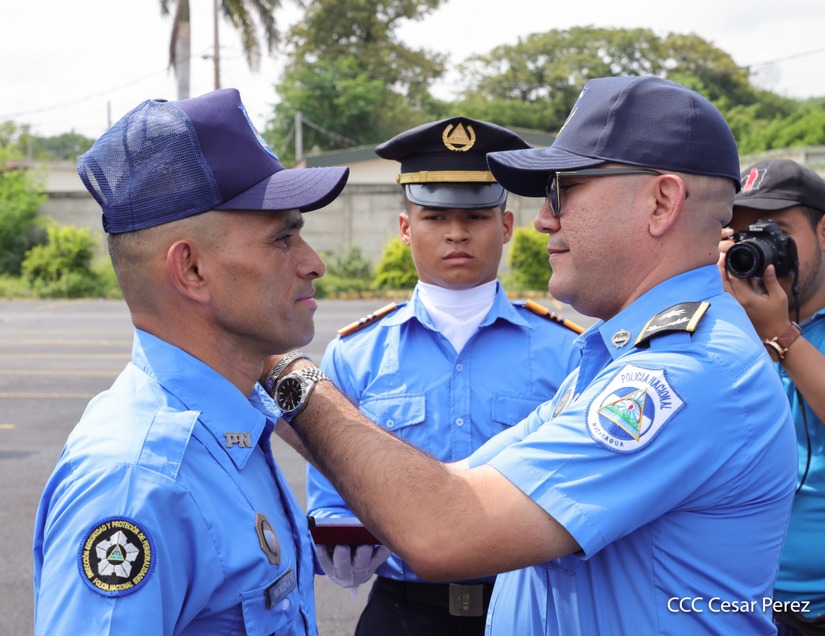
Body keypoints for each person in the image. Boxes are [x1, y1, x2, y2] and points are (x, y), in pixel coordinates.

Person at [260, 75, 799, 635]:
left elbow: (445, 529)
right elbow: (455, 484)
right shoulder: (615, 358)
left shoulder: (684, 374)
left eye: (562, 190)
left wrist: (281, 369)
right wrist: (264, 368)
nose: (544, 218)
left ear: (661, 203)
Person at [32, 88, 349, 635]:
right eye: (282, 239)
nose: (313, 263)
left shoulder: (230, 423)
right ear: (192, 270)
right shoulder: (138, 483)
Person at [305, 117, 582, 635]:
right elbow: (330, 498)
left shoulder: (567, 352)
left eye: (476, 216)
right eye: (434, 216)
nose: (456, 233)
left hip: (528, 611)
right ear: (405, 228)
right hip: (401, 614)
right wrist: (341, 537)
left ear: (506, 226)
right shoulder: (355, 355)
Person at [719, 159, 825, 635]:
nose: (760, 247)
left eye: (775, 231)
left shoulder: (774, 328)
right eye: (743, 234)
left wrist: (781, 335)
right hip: (733, 603)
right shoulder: (720, 319)